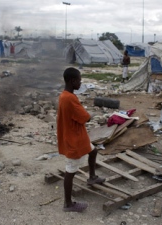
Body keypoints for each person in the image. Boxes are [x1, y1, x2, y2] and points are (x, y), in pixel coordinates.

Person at [57, 67, 105, 212]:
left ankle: (92, 176)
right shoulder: (70, 98)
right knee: (70, 171)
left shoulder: (64, 95)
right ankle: (68, 203)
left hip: (78, 136)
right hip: (74, 140)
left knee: (93, 151)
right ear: (72, 81)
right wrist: (89, 113)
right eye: (79, 80)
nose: (81, 82)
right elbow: (85, 117)